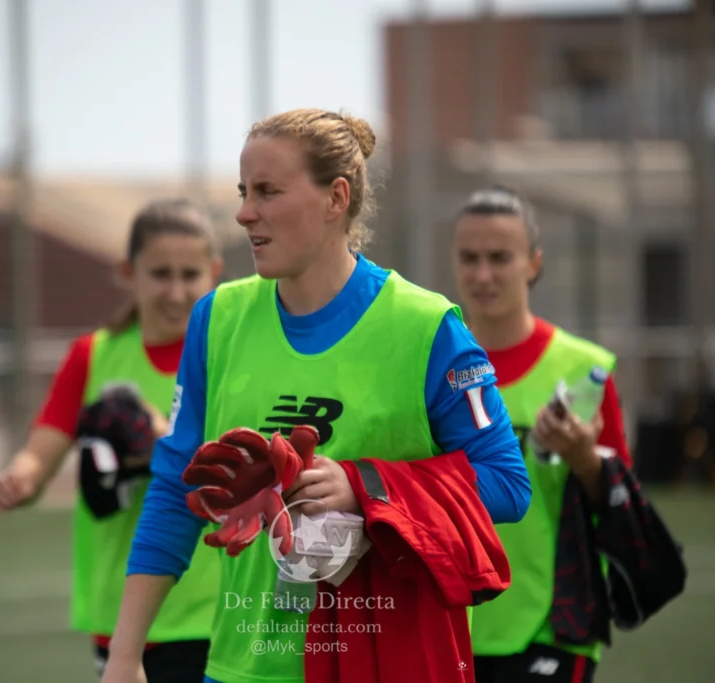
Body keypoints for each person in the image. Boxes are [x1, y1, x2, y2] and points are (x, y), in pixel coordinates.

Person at [100, 108, 532, 683]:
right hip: (241, 667)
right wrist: (125, 657)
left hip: (386, 662)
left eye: (269, 192)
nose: (244, 212)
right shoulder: (217, 318)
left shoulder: (427, 327)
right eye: (243, 191)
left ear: (336, 198)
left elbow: (508, 484)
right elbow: (175, 489)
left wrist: (362, 487)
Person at [0, 199, 224, 682]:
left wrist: (163, 439)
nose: (177, 291)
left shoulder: (226, 353)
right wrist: (23, 476)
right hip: (123, 617)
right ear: (127, 272)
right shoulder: (93, 356)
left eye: (190, 274)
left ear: (214, 273)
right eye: (161, 273)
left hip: (215, 608)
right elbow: (44, 447)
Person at [451, 186, 633, 683]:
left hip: (551, 621)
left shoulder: (584, 370)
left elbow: (621, 506)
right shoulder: (433, 366)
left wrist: (584, 458)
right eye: (470, 258)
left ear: (533, 263)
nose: (483, 275)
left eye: (499, 258)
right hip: (451, 619)